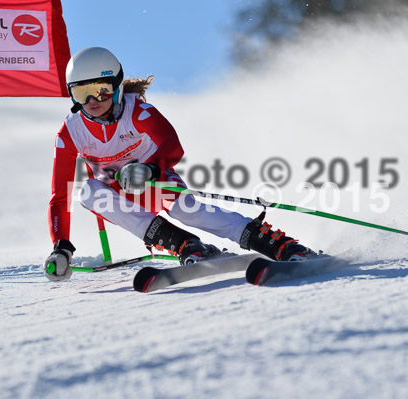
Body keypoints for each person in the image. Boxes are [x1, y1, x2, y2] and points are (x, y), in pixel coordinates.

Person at [44, 47, 314, 282]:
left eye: (100, 91)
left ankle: (281, 245)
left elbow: (172, 145)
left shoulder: (137, 111)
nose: (92, 102)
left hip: (155, 182)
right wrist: (61, 247)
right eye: (82, 93)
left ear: (115, 86)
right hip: (118, 200)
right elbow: (60, 197)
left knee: (187, 210)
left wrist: (149, 168)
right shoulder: (71, 132)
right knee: (88, 193)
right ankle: (187, 246)